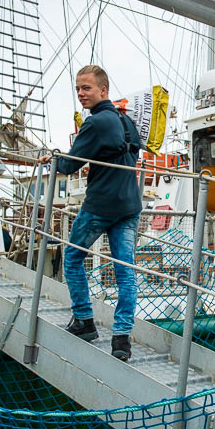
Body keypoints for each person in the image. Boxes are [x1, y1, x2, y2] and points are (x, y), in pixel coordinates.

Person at [37, 65, 143, 362]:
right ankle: (121, 339)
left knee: (72, 258)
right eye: (78, 89)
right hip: (130, 205)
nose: (81, 94)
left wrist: (54, 158)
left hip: (100, 206)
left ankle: (84, 320)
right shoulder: (126, 121)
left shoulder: (95, 123)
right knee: (125, 271)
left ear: (103, 91)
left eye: (86, 88)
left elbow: (69, 166)